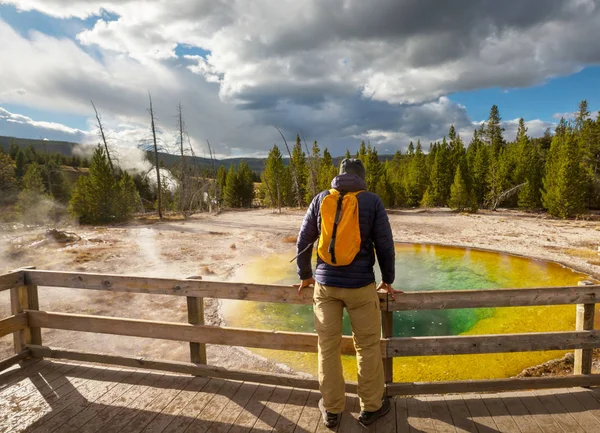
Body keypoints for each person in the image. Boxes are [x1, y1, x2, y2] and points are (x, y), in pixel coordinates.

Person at [295, 158, 398, 428]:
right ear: (362, 178)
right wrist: (387, 279)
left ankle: (332, 409)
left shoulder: (320, 199)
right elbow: (385, 246)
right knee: (367, 346)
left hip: (325, 286)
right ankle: (372, 407)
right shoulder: (372, 201)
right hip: (361, 286)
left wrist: (305, 275)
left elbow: (304, 240)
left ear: (339, 177)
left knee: (327, 348)